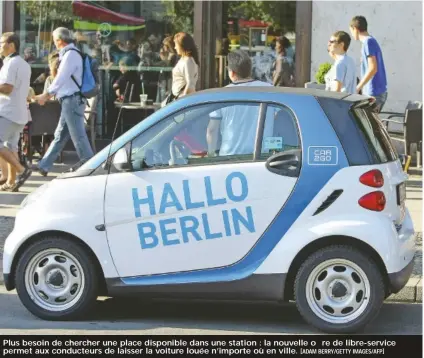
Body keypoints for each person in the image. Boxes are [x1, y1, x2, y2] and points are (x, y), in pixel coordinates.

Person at [34, 27, 94, 176]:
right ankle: (44, 165)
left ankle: (90, 165)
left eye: (54, 40)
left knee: (78, 135)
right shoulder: (70, 54)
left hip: (72, 100)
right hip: (70, 100)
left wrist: (46, 95)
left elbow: (60, 78)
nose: (54, 43)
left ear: (59, 40)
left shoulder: (70, 55)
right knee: (60, 134)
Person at [206, 50, 273, 156]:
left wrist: (210, 155)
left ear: (231, 72)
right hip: (261, 157)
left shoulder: (221, 94)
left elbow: (212, 130)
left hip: (229, 157)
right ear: (250, 70)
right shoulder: (269, 90)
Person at [0, 32, 32, 191]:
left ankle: (22, 170)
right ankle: (11, 182)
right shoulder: (23, 64)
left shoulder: (11, 63)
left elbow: (7, 88)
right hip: (19, 113)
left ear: (11, 45)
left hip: (8, 112)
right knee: (11, 147)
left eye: (1, 43)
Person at [350, 15, 388, 112]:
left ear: (354, 29)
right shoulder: (370, 42)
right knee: (369, 125)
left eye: (351, 30)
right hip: (374, 91)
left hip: (374, 92)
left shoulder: (368, 42)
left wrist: (358, 87)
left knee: (369, 125)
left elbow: (373, 68)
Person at [171, 32, 199, 99]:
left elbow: (190, 83)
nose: (175, 47)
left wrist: (183, 99)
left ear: (182, 45)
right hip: (179, 96)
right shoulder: (183, 59)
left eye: (176, 45)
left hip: (182, 98)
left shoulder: (188, 61)